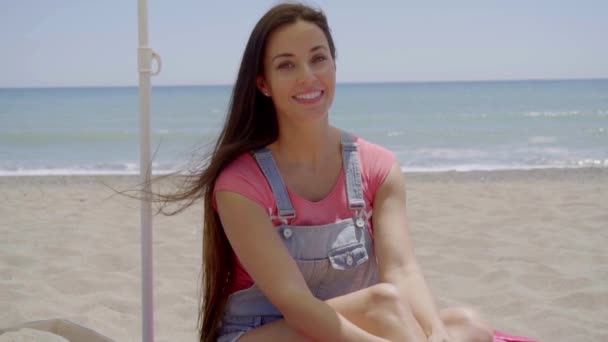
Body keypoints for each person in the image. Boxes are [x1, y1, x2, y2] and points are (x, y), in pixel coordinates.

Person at [166, 3, 494, 341]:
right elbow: (296, 304)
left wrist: (436, 332)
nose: (308, 75)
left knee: (467, 326)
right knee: (383, 304)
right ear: (263, 84)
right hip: (264, 333)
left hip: (362, 323)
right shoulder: (240, 185)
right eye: (287, 65)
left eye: (318, 58)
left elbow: (402, 268)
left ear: (335, 65)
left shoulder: (378, 167)